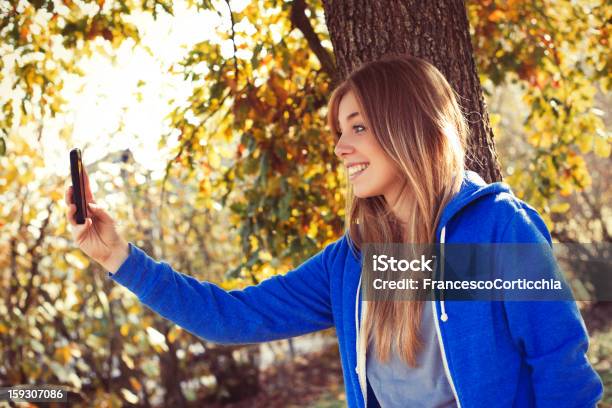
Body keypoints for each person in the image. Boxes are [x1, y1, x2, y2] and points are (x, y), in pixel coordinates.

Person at [65, 54, 603, 408]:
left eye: (360, 127)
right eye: (340, 131)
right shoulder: (357, 263)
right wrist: (120, 258)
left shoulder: (493, 233)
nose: (341, 147)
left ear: (411, 127)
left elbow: (560, 368)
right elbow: (231, 317)